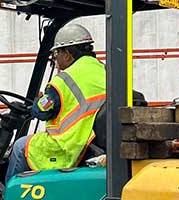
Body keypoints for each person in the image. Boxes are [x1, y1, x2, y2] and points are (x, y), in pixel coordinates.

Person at [6, 23, 107, 181]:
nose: (56, 60)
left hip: (71, 143)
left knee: (20, 147)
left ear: (67, 54)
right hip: (91, 138)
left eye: (56, 54)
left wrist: (37, 103)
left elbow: (42, 111)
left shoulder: (64, 80)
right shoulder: (104, 70)